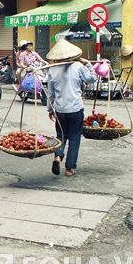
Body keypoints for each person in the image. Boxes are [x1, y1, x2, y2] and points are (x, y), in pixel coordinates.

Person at [46, 39, 97, 177]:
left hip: (60, 110)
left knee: (61, 136)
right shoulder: (78, 66)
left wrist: (50, 110)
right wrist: (88, 64)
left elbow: (50, 93)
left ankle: (58, 156)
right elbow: (92, 78)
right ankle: (69, 169)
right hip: (75, 109)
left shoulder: (52, 69)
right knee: (74, 138)